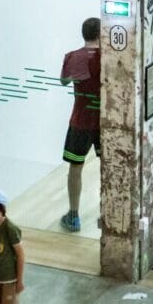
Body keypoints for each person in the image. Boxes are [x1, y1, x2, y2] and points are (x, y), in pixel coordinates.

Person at [58, 18, 102, 233]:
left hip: (80, 121)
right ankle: (108, 215)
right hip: (105, 122)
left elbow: (63, 80)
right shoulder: (110, 57)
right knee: (110, 167)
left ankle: (74, 216)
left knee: (76, 167)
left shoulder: (73, 56)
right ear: (101, 34)